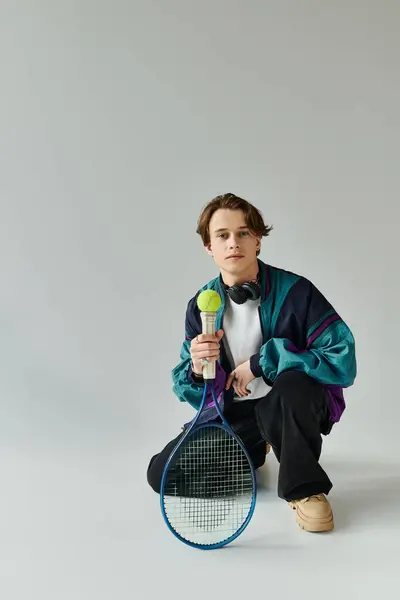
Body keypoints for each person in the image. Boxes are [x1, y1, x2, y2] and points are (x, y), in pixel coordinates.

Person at [147, 192, 356, 533]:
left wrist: (262, 363)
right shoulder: (201, 307)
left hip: (290, 404)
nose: (234, 243)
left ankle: (304, 487)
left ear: (258, 240)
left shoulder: (297, 293)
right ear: (208, 248)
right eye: (223, 235)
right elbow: (190, 390)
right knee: (160, 474)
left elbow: (343, 360)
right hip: (237, 414)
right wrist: (198, 370)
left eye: (244, 233)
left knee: (292, 384)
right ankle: (251, 455)